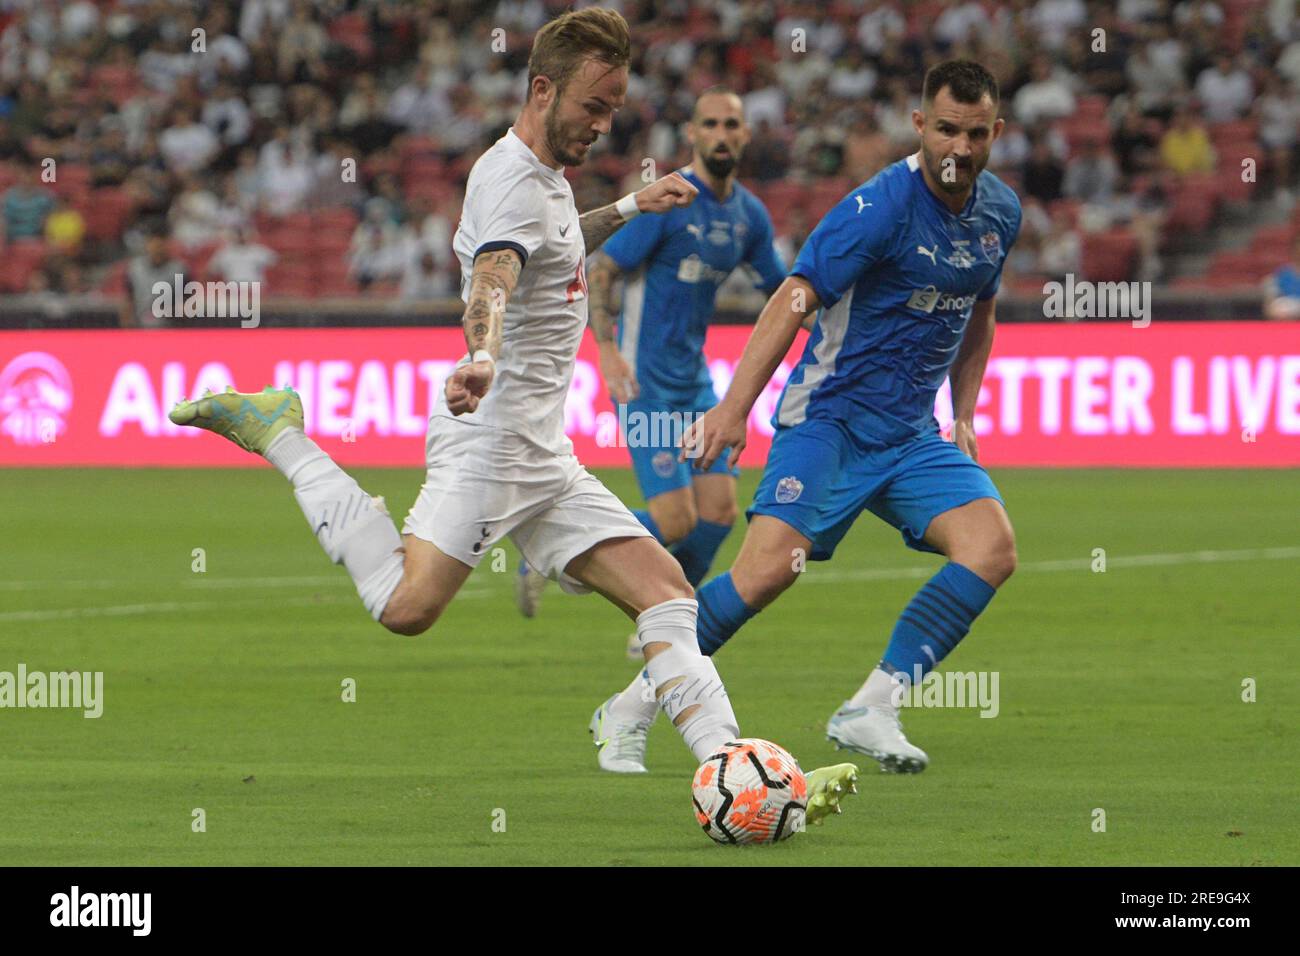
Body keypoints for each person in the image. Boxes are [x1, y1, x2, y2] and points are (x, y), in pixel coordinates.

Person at [167, 7, 856, 821]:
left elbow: (559, 243)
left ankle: (733, 772)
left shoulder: (547, 180)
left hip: (544, 454)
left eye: (612, 111)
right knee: (406, 608)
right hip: (489, 446)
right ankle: (281, 432)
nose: (603, 125)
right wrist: (483, 354)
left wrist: (633, 206)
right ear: (542, 88)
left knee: (668, 595)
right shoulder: (507, 181)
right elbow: (493, 275)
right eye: (593, 108)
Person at [594, 59, 1021, 775]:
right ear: (920, 125)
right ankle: (631, 705)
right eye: (945, 129)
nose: (959, 149)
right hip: (831, 421)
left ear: (996, 133)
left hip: (912, 434)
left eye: (975, 134)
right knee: (763, 576)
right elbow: (792, 298)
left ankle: (872, 708)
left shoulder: (999, 213)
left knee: (992, 548)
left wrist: (965, 412)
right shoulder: (878, 208)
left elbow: (980, 312)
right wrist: (735, 409)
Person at [512, 89, 788, 659]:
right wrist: (607, 353)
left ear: (744, 135)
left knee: (716, 514)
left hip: (695, 384)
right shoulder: (671, 199)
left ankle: (663, 615)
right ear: (692, 132)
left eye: (730, 124)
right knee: (673, 516)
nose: (720, 133)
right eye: (709, 122)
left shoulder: (748, 216)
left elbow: (783, 294)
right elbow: (603, 269)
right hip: (643, 383)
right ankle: (558, 549)